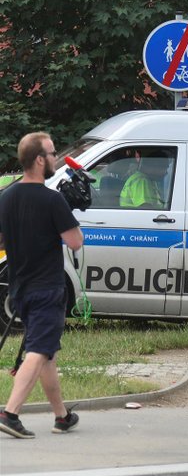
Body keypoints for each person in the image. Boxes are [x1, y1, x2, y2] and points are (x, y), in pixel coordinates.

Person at [0, 132, 84, 439]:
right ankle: (10, 413)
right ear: (39, 160)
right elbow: (75, 243)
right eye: (51, 153)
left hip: (19, 286)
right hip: (47, 288)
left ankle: (61, 416)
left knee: (47, 353)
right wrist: (68, 215)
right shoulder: (52, 199)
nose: (54, 158)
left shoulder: (6, 196)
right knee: (38, 350)